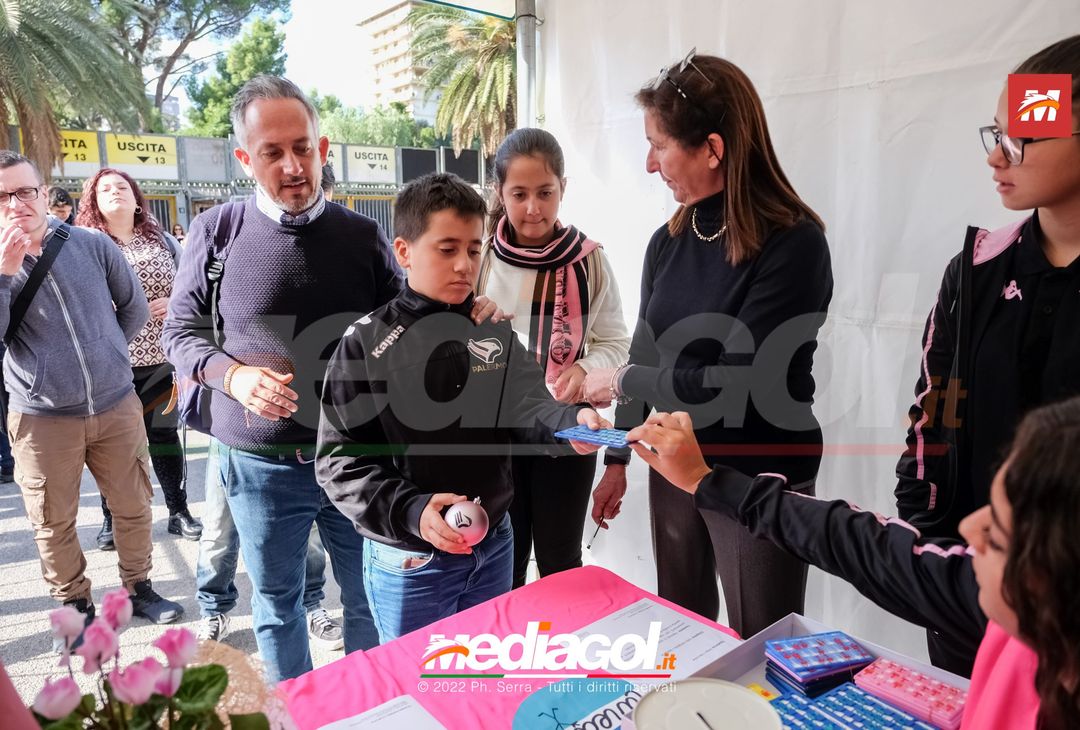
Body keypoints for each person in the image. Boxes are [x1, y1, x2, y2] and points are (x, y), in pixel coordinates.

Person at [162, 76, 504, 681]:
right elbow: (181, 335)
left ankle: (374, 710)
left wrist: (468, 313)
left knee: (366, 604)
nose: (293, 166)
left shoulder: (361, 236)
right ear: (246, 159)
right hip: (260, 467)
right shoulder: (216, 232)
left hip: (360, 465)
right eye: (272, 152)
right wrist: (232, 377)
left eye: (303, 147)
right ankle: (296, 712)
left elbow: (415, 319)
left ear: (323, 149)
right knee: (277, 605)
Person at [628, 398, 1080, 730]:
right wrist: (707, 482)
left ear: (1054, 571)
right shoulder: (1016, 613)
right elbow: (861, 542)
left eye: (998, 532)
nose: (971, 530)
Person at [581, 50, 833, 638]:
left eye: (659, 145)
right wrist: (617, 456)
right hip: (672, 464)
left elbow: (737, 386)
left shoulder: (794, 244)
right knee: (682, 631)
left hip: (758, 477)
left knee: (762, 645)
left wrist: (620, 381)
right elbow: (646, 354)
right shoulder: (668, 240)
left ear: (713, 149)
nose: (650, 164)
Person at [316, 172, 608, 642]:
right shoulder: (366, 345)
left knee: (482, 685)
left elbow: (529, 405)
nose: (464, 265)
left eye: (474, 250)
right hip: (413, 561)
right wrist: (413, 510)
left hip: (495, 549)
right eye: (447, 249)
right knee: (421, 693)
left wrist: (570, 423)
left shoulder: (489, 327)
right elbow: (340, 463)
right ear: (404, 251)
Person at [893, 34, 1080, 675]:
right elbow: (934, 408)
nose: (998, 154)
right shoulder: (975, 271)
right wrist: (929, 536)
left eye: (1023, 136)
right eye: (995, 132)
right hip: (969, 589)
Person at [0, 151, 183, 645]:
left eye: (24, 191)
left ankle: (140, 589)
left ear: (43, 192)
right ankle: (75, 605)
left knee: (133, 504)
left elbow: (134, 306)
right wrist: (3, 275)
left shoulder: (88, 244)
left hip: (115, 403)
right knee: (52, 518)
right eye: (2, 196)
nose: (16, 204)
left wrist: (108, 355)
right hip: (41, 417)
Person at [477, 128, 631, 587]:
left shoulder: (588, 261)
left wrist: (584, 368)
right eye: (518, 194)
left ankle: (560, 657)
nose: (532, 208)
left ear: (564, 187)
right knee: (503, 559)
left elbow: (617, 342)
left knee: (560, 559)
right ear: (499, 193)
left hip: (568, 428)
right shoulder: (480, 258)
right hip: (498, 431)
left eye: (545, 193)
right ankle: (509, 659)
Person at [74, 168, 203, 549]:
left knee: (163, 438)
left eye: (122, 187)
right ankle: (111, 519)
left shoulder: (162, 240)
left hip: (162, 359)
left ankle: (178, 512)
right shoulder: (85, 243)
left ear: (135, 197)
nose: (115, 192)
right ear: (93, 201)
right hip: (111, 361)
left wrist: (176, 301)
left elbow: (190, 284)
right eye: (105, 189)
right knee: (113, 445)